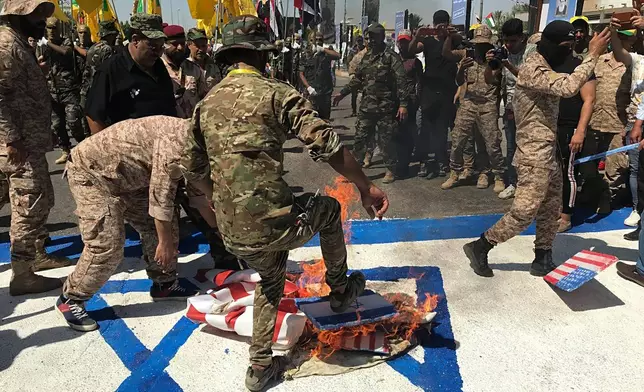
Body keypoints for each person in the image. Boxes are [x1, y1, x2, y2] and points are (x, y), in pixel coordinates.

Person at [179, 16, 389, 391]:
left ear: (228, 56)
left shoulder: (205, 104)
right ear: (262, 56)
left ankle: (259, 368)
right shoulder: (277, 93)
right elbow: (330, 147)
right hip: (275, 223)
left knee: (272, 277)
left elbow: (192, 169)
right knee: (328, 210)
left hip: (230, 229)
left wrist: (220, 203)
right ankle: (340, 290)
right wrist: (365, 186)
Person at [462, 21, 610, 278]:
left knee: (551, 207)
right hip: (533, 152)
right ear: (550, 45)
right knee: (525, 210)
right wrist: (593, 55)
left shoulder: (541, 66)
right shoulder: (534, 65)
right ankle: (481, 245)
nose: (568, 51)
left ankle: (542, 256)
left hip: (549, 149)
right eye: (565, 46)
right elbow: (567, 88)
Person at [54, 116, 207, 331]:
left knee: (165, 226)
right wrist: (165, 244)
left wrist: (221, 232)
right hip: (92, 173)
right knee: (107, 244)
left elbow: (201, 195)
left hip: (128, 176)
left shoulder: (199, 141)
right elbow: (160, 197)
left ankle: (164, 284)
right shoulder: (176, 145)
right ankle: (71, 298)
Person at [0, 0, 73, 296]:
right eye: (35, 12)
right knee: (30, 203)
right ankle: (23, 274)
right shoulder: (6, 45)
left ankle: (36, 254)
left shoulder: (18, 41)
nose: (43, 18)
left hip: (27, 140)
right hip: (19, 144)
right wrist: (11, 138)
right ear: (17, 13)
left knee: (30, 198)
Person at [333, 23, 410, 184]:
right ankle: (354, 171)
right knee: (360, 139)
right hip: (367, 106)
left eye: (374, 37)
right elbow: (358, 79)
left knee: (386, 141)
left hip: (385, 108)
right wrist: (343, 92)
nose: (371, 40)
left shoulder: (391, 57)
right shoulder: (366, 57)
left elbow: (402, 81)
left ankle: (390, 170)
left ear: (382, 37)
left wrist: (403, 104)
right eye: (369, 37)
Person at [85, 14, 176, 134]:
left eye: (161, 47)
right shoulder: (110, 69)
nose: (158, 53)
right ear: (136, 40)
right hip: (126, 147)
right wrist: (105, 149)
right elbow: (94, 115)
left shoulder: (159, 67)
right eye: (153, 47)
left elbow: (170, 105)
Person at [441, 24, 506, 192]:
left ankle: (495, 175)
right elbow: (447, 56)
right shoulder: (466, 54)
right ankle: (454, 172)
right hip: (469, 102)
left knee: (491, 143)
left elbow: (492, 81)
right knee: (457, 140)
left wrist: (491, 63)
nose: (481, 47)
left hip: (487, 104)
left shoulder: (496, 59)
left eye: (484, 44)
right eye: (478, 44)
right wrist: (461, 67)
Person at [583, 28, 637, 219]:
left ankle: (607, 196)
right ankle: (595, 191)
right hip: (594, 122)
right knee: (586, 164)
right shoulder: (598, 61)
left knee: (616, 166)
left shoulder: (634, 65)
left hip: (619, 124)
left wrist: (629, 126)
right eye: (620, 37)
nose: (623, 41)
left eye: (627, 38)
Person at [410, 10, 458, 178]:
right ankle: (424, 162)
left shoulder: (454, 40)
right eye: (438, 23)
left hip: (447, 90)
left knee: (442, 129)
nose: (441, 26)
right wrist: (417, 36)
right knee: (425, 127)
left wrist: (450, 35)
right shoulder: (428, 41)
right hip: (429, 89)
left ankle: (441, 161)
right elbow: (412, 50)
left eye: (444, 23)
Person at [491, 19, 535, 200]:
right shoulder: (503, 52)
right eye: (506, 41)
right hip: (511, 108)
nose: (509, 45)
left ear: (523, 38)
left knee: (528, 150)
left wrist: (506, 63)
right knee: (510, 149)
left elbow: (528, 77)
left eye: (513, 41)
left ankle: (529, 186)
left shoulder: (533, 52)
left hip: (530, 110)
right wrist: (492, 63)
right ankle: (513, 183)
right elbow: (490, 79)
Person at [554, 51, 596, 233]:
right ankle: (554, 210)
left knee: (568, 172)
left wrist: (580, 131)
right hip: (552, 127)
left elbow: (590, 100)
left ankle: (566, 216)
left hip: (571, 128)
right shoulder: (548, 66)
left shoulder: (579, 66)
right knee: (553, 173)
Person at [42, 17, 85, 164]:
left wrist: (49, 43)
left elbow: (66, 52)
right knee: (57, 124)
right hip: (53, 91)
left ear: (59, 29)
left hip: (69, 90)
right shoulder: (45, 46)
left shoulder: (65, 41)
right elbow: (41, 62)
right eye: (49, 28)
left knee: (73, 121)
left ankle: (83, 146)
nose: (51, 31)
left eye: (54, 28)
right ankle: (65, 150)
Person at [80, 20, 118, 135]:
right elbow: (110, 72)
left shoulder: (92, 47)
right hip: (99, 94)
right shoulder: (107, 49)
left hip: (86, 91)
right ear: (110, 35)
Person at [396, 29, 423, 178]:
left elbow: (420, 84)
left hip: (410, 103)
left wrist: (416, 102)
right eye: (401, 42)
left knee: (406, 134)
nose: (403, 45)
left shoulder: (415, 62)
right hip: (394, 102)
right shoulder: (393, 59)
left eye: (406, 42)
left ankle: (404, 165)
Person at [300, 31, 340, 120]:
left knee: (325, 118)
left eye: (320, 40)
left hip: (325, 91)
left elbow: (338, 56)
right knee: (311, 119)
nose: (317, 42)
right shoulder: (305, 54)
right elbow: (301, 74)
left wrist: (323, 49)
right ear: (310, 41)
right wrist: (308, 87)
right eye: (314, 40)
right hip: (311, 92)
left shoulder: (326, 53)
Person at [347, 36, 365, 117]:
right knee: (353, 94)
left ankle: (362, 111)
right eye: (358, 41)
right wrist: (351, 73)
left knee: (363, 94)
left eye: (361, 41)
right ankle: (354, 110)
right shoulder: (352, 51)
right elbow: (349, 62)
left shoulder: (366, 50)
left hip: (363, 75)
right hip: (355, 74)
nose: (359, 42)